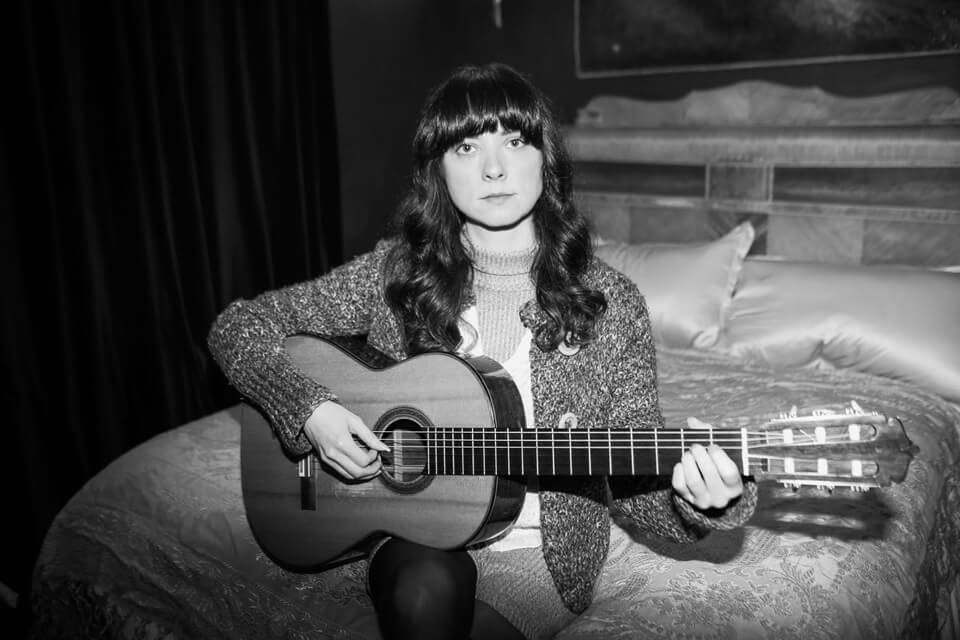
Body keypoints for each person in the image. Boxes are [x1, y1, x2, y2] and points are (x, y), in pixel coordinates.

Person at [208, 62, 756, 640]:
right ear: (438, 171)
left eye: (515, 142)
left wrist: (701, 500)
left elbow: (630, 481)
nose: (494, 168)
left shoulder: (609, 305)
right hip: (411, 537)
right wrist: (310, 410)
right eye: (466, 147)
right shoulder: (396, 271)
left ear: (546, 156)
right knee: (425, 588)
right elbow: (237, 328)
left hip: (534, 561)